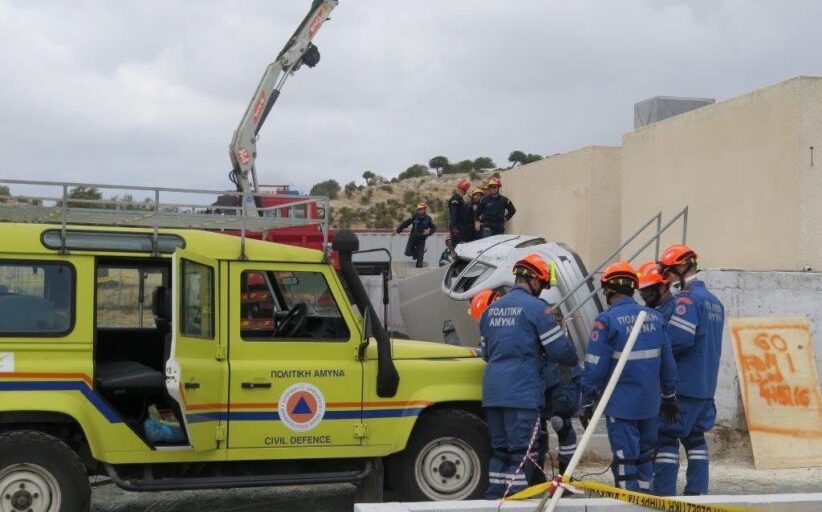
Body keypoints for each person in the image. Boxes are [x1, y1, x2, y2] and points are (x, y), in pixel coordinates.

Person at [479, 254, 578, 498]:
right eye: (542, 285)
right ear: (534, 280)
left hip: (493, 392)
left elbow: (485, 353)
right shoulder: (537, 308)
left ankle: (494, 499)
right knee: (523, 453)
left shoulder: (490, 310)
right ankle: (516, 501)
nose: (541, 290)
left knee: (500, 452)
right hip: (521, 393)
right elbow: (562, 352)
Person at [580, 261, 677, 494]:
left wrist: (585, 401)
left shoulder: (606, 321)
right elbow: (668, 364)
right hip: (650, 405)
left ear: (608, 290)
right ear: (633, 288)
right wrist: (670, 395)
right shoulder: (655, 318)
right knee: (645, 459)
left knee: (625, 461)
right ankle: (645, 501)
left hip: (621, 406)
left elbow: (594, 367)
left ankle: (625, 505)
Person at [654, 245, 724, 497]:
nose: (667, 278)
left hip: (682, 387)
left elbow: (678, 340)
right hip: (705, 388)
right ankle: (697, 494)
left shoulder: (687, 299)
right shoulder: (715, 302)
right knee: (695, 441)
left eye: (669, 272)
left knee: (665, 439)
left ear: (681, 268)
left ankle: (662, 495)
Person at [396, 202, 436, 268]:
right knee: (408, 252)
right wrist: (398, 230)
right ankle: (417, 253)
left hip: (422, 238)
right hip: (413, 236)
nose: (420, 210)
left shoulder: (428, 218)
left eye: (421, 209)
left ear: (424, 209)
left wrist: (429, 231)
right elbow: (406, 223)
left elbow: (434, 228)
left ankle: (419, 259)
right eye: (419, 209)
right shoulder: (414, 216)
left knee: (420, 261)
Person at [448, 179, 474, 246]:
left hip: (462, 228)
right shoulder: (455, 199)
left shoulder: (461, 200)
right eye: (465, 189)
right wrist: (454, 228)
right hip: (458, 228)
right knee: (457, 248)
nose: (465, 191)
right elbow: (454, 214)